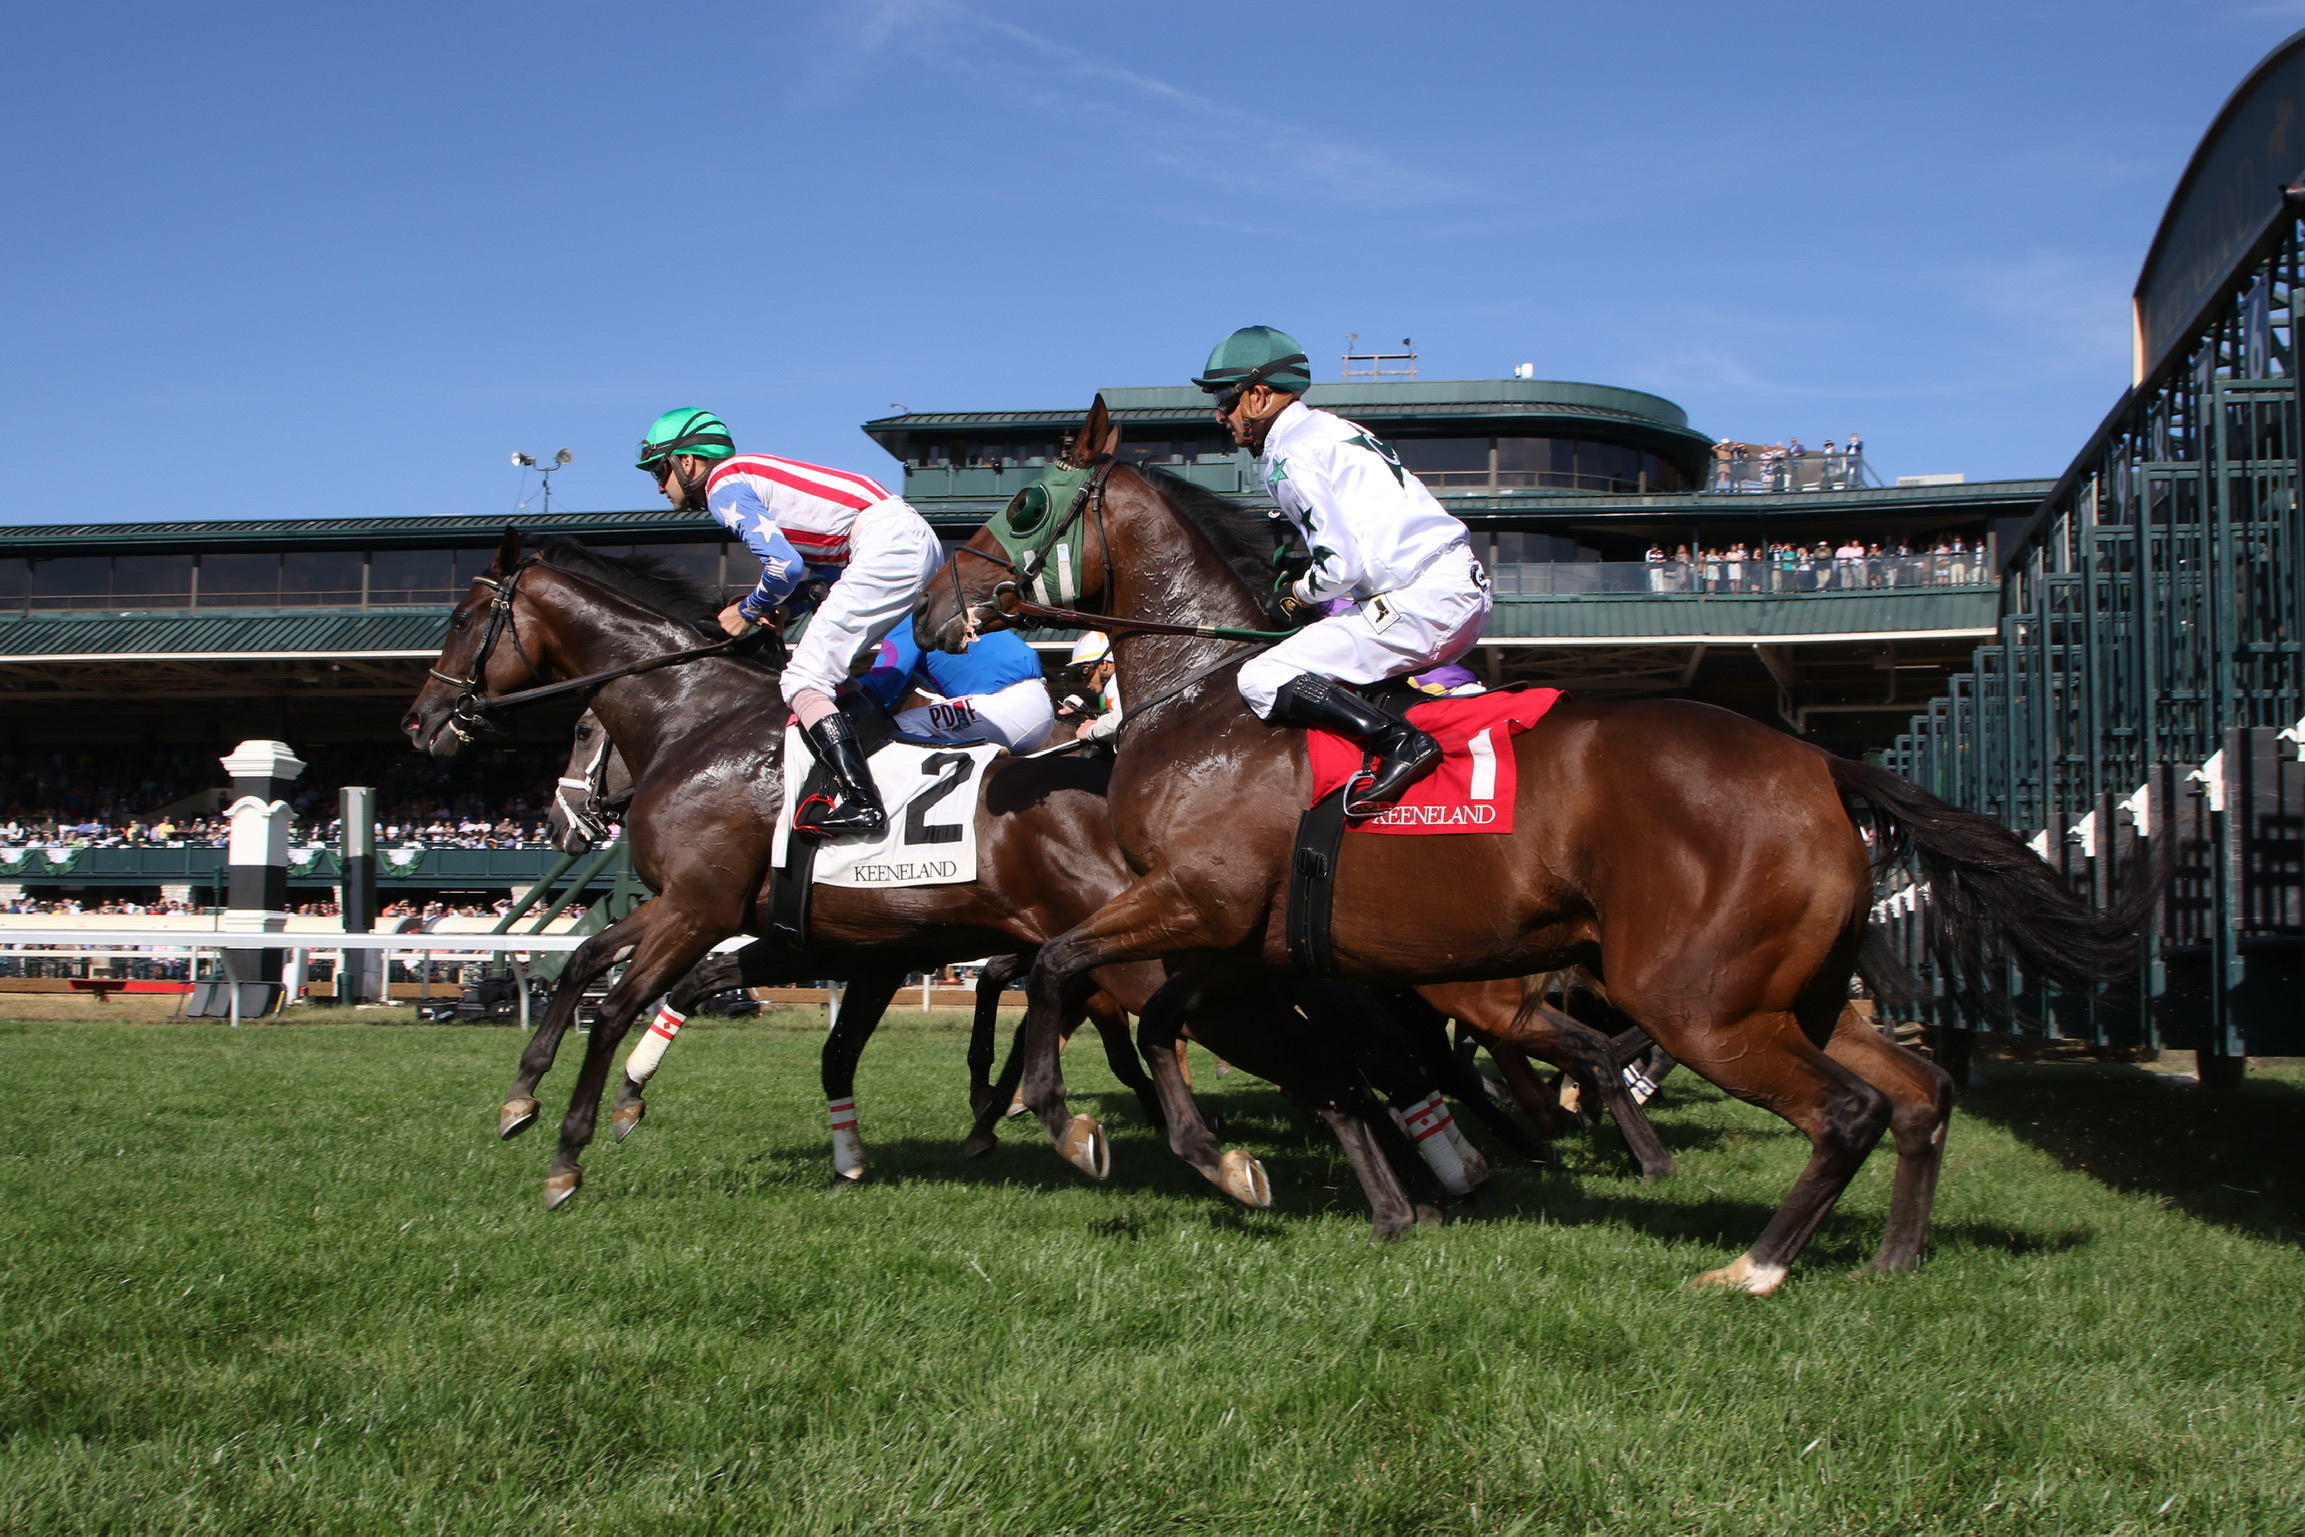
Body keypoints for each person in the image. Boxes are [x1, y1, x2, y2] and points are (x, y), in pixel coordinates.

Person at [1194, 326, 1491, 813]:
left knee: (1262, 676)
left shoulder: (1287, 456)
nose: (1220, 414)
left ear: (1260, 396)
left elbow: (1340, 568)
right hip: (1454, 589)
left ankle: (1399, 743)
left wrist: (1295, 592)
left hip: (1422, 602)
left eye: (1225, 399)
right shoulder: (1336, 428)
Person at [635, 408, 945, 836]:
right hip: (901, 539)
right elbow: (818, 579)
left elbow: (784, 566)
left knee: (802, 678)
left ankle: (862, 800)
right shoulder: (745, 476)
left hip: (886, 542)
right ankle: (878, 764)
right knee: (830, 677)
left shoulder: (723, 485)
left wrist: (745, 612)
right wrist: (785, 606)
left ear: (686, 462)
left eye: (658, 471)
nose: (658, 485)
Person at [858, 623, 1055, 752]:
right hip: (1037, 707)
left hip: (1008, 708)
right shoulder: (949, 605)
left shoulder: (907, 619)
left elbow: (882, 684)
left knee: (895, 729)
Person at [1056, 631, 1123, 744]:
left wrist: (1091, 731)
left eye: (1084, 671)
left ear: (1105, 665)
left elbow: (1124, 723)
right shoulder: (1119, 680)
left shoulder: (1113, 684)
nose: (1084, 681)